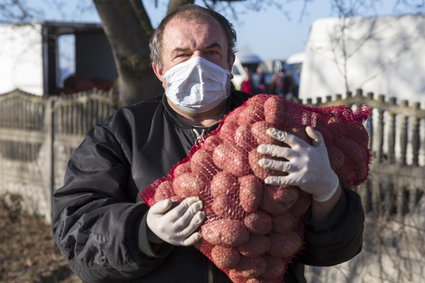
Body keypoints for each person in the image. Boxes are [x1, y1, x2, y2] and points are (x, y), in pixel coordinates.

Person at [52, 4, 364, 283]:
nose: (198, 64)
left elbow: (331, 252)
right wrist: (144, 231)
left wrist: (328, 192)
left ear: (230, 62)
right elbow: (77, 233)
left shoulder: (279, 124)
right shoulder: (121, 134)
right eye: (182, 55)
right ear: (159, 70)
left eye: (212, 52)